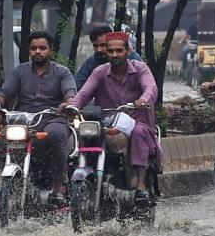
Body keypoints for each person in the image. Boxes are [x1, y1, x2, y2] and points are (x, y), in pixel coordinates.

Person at [69, 31, 161, 200]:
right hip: (107, 122)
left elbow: (151, 88)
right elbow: (83, 94)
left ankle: (140, 185)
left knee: (139, 132)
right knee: (84, 133)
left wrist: (143, 99)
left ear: (127, 51)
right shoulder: (99, 71)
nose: (114, 54)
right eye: (110, 51)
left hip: (137, 120)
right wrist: (73, 107)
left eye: (119, 51)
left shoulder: (140, 68)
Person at [0, 30, 77, 197]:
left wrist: (68, 104)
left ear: (51, 50)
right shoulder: (20, 71)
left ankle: (57, 186)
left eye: (42, 48)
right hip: (24, 118)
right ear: (29, 50)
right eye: (34, 48)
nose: (38, 51)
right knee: (2, 137)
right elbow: (4, 94)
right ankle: (12, 179)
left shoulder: (62, 72)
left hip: (53, 117)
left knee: (55, 134)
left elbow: (70, 94)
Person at [75, 25, 142, 91]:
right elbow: (78, 85)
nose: (99, 50)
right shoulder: (92, 62)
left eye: (102, 45)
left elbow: (145, 83)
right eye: (96, 46)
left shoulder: (132, 58)